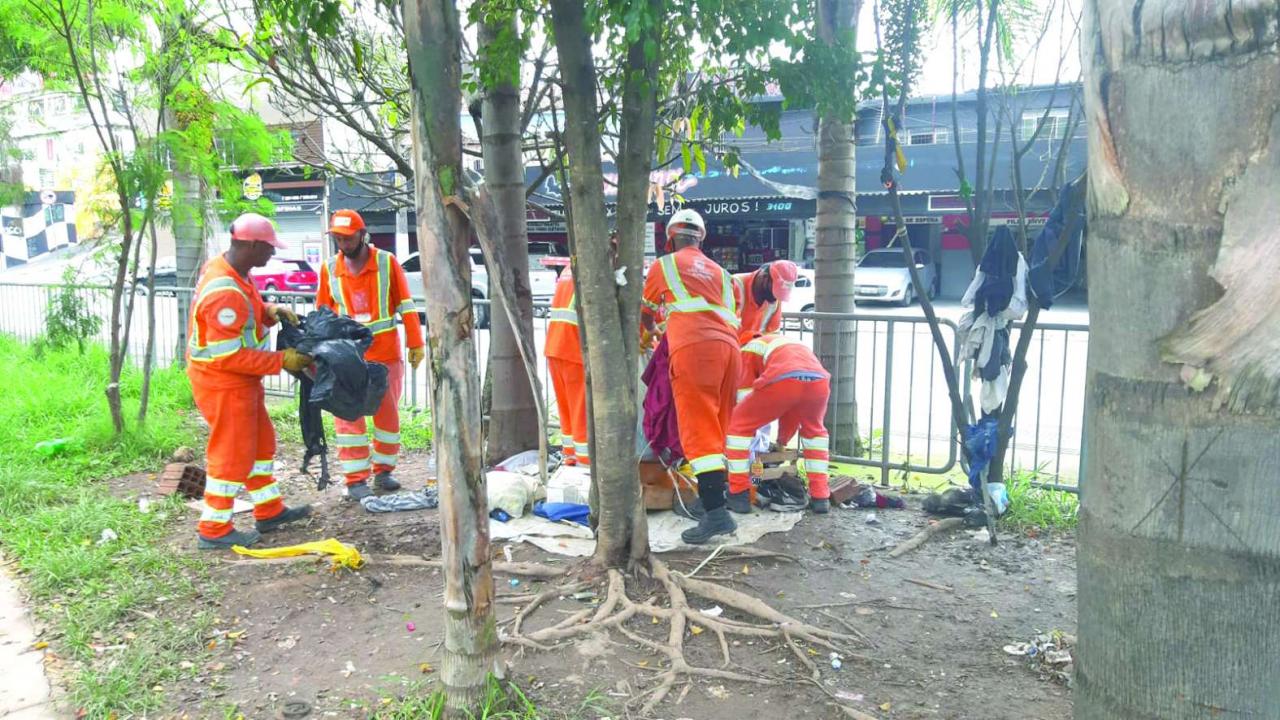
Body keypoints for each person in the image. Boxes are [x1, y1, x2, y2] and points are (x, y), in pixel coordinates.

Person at [186, 213, 313, 549]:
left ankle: (269, 510)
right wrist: (280, 360)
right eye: (268, 248)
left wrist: (269, 311)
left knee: (260, 444)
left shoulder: (235, 273)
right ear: (252, 244)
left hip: (241, 381)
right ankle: (214, 530)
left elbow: (247, 312)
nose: (271, 255)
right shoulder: (224, 291)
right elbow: (227, 355)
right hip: (223, 382)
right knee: (231, 454)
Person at [642, 209, 741, 544]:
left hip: (696, 351)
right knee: (716, 427)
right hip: (730, 351)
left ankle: (716, 515)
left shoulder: (664, 265)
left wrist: (651, 333)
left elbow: (644, 313)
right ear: (702, 238)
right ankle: (714, 501)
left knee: (698, 430)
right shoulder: (725, 275)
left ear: (670, 238)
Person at [316, 209, 426, 501]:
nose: (343, 243)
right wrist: (318, 352)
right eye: (338, 238)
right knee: (348, 417)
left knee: (387, 415)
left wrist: (416, 342)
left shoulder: (386, 263)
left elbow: (406, 304)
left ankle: (384, 470)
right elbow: (322, 313)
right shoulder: (329, 269)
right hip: (345, 358)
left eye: (348, 238)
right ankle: (355, 479)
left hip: (385, 354)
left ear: (362, 235)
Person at [724, 333, 832, 514]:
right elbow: (791, 411)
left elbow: (744, 398)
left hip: (782, 379)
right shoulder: (781, 342)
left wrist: (748, 426)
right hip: (819, 381)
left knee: (737, 427)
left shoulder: (747, 349)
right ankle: (820, 496)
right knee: (815, 435)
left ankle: (739, 494)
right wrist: (781, 442)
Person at [546, 264, 588, 466]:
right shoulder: (591, 268)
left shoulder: (568, 269)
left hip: (555, 346)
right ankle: (584, 459)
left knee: (566, 408)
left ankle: (570, 454)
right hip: (574, 349)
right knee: (580, 409)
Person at [732, 260, 798, 346]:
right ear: (763, 277)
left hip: (749, 352)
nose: (774, 298)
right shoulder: (735, 286)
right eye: (774, 291)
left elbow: (772, 335)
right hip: (728, 350)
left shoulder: (774, 301)